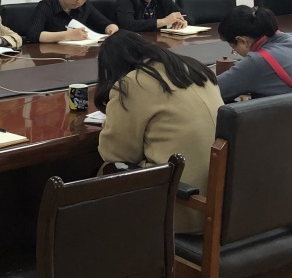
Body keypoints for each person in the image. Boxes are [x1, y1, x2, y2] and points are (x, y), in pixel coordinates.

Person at [95, 30, 222, 234]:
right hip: (221, 203)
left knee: (104, 174)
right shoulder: (194, 68)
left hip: (181, 205)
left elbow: (116, 154)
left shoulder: (132, 83)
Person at [216, 5, 292, 120]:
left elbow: (212, 91)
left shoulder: (257, 61)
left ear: (242, 41)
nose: (236, 53)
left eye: (234, 49)